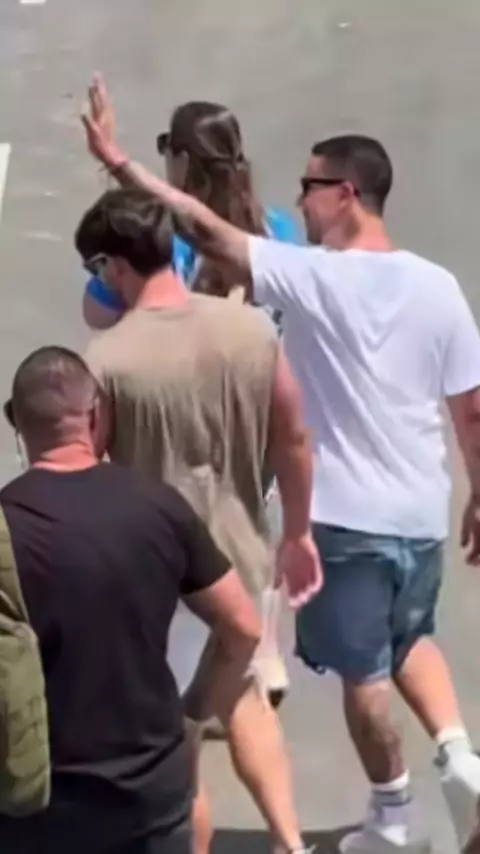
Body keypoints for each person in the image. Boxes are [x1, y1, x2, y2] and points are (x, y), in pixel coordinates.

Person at [82, 80, 480, 854]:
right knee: (408, 641)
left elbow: (202, 227)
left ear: (347, 194)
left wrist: (120, 162)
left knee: (361, 677)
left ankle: (392, 819)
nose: (301, 196)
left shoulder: (312, 275)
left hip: (341, 515)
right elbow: (470, 410)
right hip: (420, 514)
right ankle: (457, 752)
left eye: (311, 183)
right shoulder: (436, 285)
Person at [74, 182, 320, 854]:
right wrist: (298, 533)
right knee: (242, 698)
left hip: (164, 584)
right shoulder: (251, 332)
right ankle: (290, 843)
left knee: (172, 742)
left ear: (115, 265)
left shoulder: (107, 361)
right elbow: (294, 439)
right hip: (244, 559)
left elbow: (89, 476)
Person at [0, 345, 262, 854]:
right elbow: (243, 628)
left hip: (40, 807)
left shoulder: (6, 527)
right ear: (97, 414)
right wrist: (194, 712)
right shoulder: (159, 506)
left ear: (17, 424)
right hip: (150, 797)